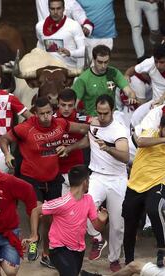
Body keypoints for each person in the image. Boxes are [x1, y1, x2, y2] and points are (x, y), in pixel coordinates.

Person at [0, 96, 89, 269]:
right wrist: (7, 153)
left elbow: (85, 129)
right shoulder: (26, 128)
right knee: (38, 211)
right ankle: (34, 239)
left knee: (49, 219)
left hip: (53, 177)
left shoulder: (60, 124)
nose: (47, 117)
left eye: (49, 112)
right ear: (35, 114)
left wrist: (97, 124)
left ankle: (46, 253)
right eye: (42, 114)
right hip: (31, 178)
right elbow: (4, 139)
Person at [63, 95, 130, 272]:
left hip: (117, 179)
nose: (101, 117)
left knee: (117, 224)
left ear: (113, 111)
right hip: (98, 176)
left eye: (105, 113)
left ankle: (114, 259)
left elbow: (125, 157)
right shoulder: (94, 123)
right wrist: (70, 148)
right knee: (80, 208)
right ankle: (97, 238)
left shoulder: (119, 130)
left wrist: (107, 148)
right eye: (99, 113)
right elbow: (89, 140)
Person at [26, 165, 108, 276]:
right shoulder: (62, 202)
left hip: (78, 249)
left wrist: (102, 220)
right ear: (85, 182)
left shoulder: (88, 200)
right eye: (88, 180)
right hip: (59, 249)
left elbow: (98, 227)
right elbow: (36, 211)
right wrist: (34, 235)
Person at [122, 115, 165, 265]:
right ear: (160, 127)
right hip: (135, 183)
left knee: (154, 209)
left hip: (158, 181)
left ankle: (162, 251)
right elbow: (140, 142)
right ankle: (128, 262)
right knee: (130, 224)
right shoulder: (150, 132)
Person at [72, 45, 137, 116]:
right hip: (92, 119)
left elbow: (129, 91)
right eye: (100, 62)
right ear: (93, 60)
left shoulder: (114, 73)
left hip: (113, 116)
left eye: (106, 62)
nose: (103, 66)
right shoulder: (83, 79)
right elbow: (73, 104)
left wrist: (131, 97)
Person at [54, 88, 91, 195]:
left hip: (78, 171)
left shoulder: (82, 118)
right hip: (57, 172)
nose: (66, 109)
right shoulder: (51, 120)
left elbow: (97, 126)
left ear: (75, 104)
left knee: (79, 208)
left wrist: (69, 148)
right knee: (62, 209)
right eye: (63, 105)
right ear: (57, 104)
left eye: (70, 105)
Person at [35, 0, 85, 69]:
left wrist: (70, 53)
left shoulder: (74, 25)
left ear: (64, 9)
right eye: (52, 9)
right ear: (48, 9)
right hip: (47, 71)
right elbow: (40, 46)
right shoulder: (40, 26)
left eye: (58, 8)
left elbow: (84, 50)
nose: (55, 12)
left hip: (69, 72)